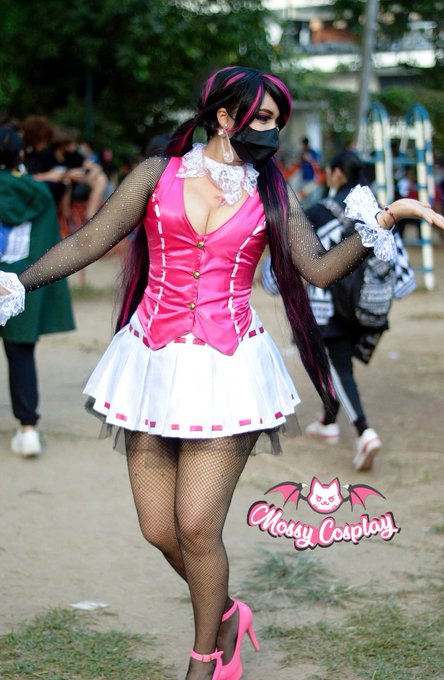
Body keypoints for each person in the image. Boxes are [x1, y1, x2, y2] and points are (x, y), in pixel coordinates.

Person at [0, 67, 443, 679]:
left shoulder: (272, 193)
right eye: (264, 119)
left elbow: (318, 269)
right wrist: (15, 285)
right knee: (159, 530)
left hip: (229, 370)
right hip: (150, 364)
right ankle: (229, 611)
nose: (274, 133)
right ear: (225, 118)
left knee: (197, 527)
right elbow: (90, 241)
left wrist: (386, 219)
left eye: (279, 122)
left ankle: (206, 658)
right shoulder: (157, 175)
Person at [302, 151, 416, 471]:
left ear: (337, 174)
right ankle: (327, 421)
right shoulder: (378, 212)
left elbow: (288, 268)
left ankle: (363, 431)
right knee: (340, 364)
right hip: (367, 309)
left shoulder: (318, 212)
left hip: (329, 307)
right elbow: (405, 282)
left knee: (339, 366)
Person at [0, 127, 75, 456]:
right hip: (21, 282)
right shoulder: (40, 194)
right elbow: (46, 246)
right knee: (21, 355)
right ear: (20, 154)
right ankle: (28, 429)